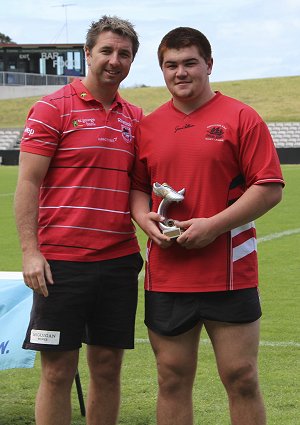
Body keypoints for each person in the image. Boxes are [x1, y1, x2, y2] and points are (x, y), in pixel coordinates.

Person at [130, 26, 284, 425]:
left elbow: (268, 188)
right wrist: (144, 218)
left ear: (209, 65)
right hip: (167, 276)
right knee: (171, 379)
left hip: (230, 272)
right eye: (171, 65)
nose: (180, 72)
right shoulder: (147, 126)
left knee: (242, 377)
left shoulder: (241, 117)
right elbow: (137, 189)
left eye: (189, 63)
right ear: (162, 70)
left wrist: (214, 225)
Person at [14, 15, 143, 425]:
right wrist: (31, 252)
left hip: (118, 262)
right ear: (88, 54)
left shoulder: (136, 118)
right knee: (57, 372)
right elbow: (28, 184)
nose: (114, 60)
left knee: (107, 369)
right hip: (60, 265)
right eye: (106, 50)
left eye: (124, 53)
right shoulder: (52, 108)